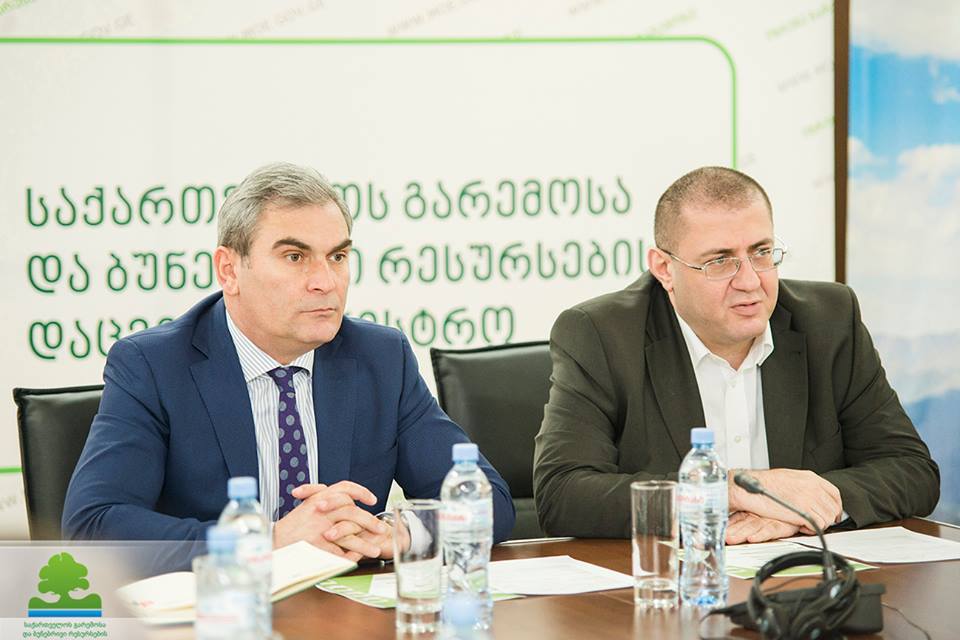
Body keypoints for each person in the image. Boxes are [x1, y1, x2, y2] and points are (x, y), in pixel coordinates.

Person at [63, 162, 515, 564]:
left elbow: (488, 501)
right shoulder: (155, 366)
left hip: (344, 613)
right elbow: (93, 528)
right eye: (295, 257)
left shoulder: (380, 358)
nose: (325, 281)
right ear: (229, 270)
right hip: (222, 610)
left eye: (337, 256)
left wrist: (398, 535)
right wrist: (268, 541)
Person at [533, 166, 939, 544]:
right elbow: (562, 495)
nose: (749, 281)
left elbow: (911, 470)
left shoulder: (829, 321)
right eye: (720, 261)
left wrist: (802, 509)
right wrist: (728, 490)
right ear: (664, 268)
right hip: (674, 583)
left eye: (761, 252)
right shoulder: (602, 335)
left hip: (802, 573)